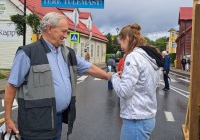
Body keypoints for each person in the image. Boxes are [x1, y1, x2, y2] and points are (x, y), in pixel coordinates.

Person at [4, 12, 112, 140]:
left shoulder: (67, 53)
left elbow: (88, 67)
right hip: (35, 124)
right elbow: (11, 86)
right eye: (63, 31)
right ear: (49, 29)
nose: (66, 36)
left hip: (57, 120)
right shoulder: (28, 53)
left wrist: (108, 76)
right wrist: (7, 119)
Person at [108, 23, 163, 140]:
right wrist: (125, 75)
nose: (121, 47)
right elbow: (147, 82)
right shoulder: (147, 56)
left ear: (127, 38)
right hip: (146, 117)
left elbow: (124, 91)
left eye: (121, 43)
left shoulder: (133, 57)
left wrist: (114, 77)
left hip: (136, 120)